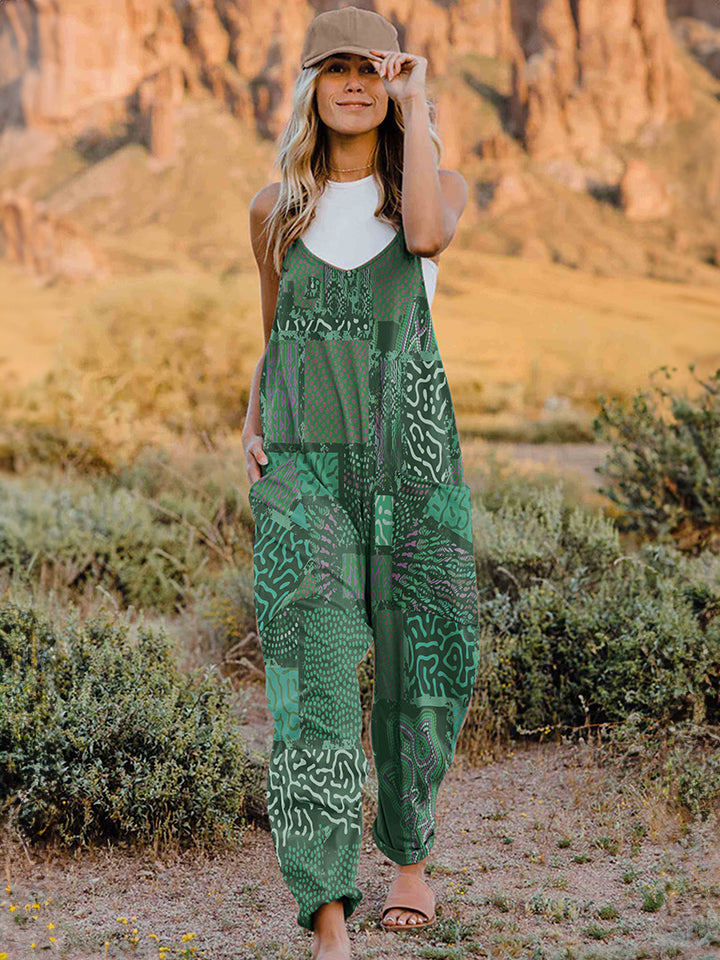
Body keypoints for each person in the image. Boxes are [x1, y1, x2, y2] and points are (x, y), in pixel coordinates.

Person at [242, 6, 480, 958]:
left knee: (430, 659)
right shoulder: (275, 207)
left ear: (393, 80)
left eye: (369, 69)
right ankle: (328, 912)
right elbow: (273, 331)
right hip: (304, 464)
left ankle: (410, 858)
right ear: (308, 86)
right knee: (316, 684)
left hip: (414, 454)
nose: (352, 83)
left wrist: (417, 106)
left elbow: (425, 237)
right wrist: (253, 415)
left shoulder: (435, 185)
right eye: (332, 68)